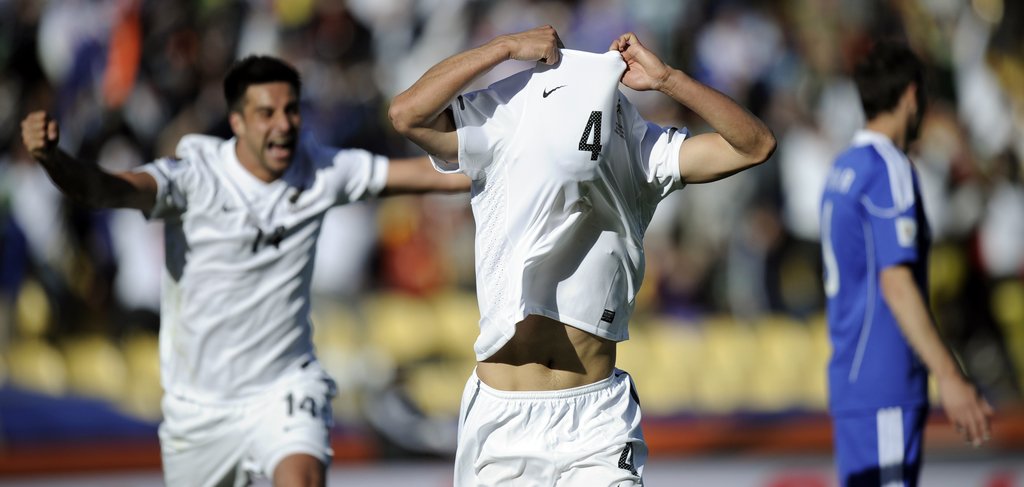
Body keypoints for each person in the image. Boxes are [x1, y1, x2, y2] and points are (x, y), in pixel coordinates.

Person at [20, 55, 468, 487]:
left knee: (301, 476)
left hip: (285, 386)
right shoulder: (195, 178)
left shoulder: (320, 170)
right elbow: (105, 189)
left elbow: (430, 174)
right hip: (200, 406)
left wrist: (501, 154)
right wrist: (54, 159)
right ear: (236, 122)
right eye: (266, 113)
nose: (283, 124)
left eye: (291, 111)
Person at [389, 25, 776, 485]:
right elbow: (406, 114)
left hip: (598, 419)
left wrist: (668, 79)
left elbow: (755, 145)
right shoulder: (508, 116)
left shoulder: (642, 149)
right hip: (504, 420)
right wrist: (503, 48)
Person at [819, 41, 993, 486]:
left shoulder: (842, 168)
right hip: (886, 378)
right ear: (913, 95)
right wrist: (950, 376)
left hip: (852, 377)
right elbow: (895, 282)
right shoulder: (888, 168)